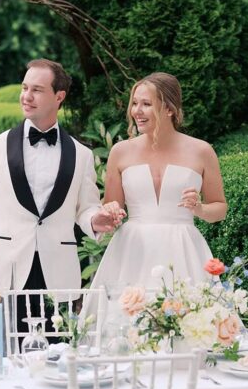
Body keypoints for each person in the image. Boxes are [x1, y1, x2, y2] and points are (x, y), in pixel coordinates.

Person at [0, 59, 123, 296]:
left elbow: (85, 208)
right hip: (8, 269)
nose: (27, 96)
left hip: (58, 270)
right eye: (24, 88)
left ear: (59, 97)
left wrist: (94, 220)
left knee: (58, 334)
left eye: (37, 90)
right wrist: (10, 232)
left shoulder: (82, 155)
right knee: (5, 334)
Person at [90, 72, 227, 293]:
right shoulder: (120, 151)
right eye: (134, 103)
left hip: (182, 249)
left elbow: (220, 208)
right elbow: (111, 206)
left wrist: (199, 208)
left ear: (169, 109)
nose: (137, 111)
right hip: (132, 251)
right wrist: (110, 212)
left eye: (146, 104)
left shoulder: (202, 151)